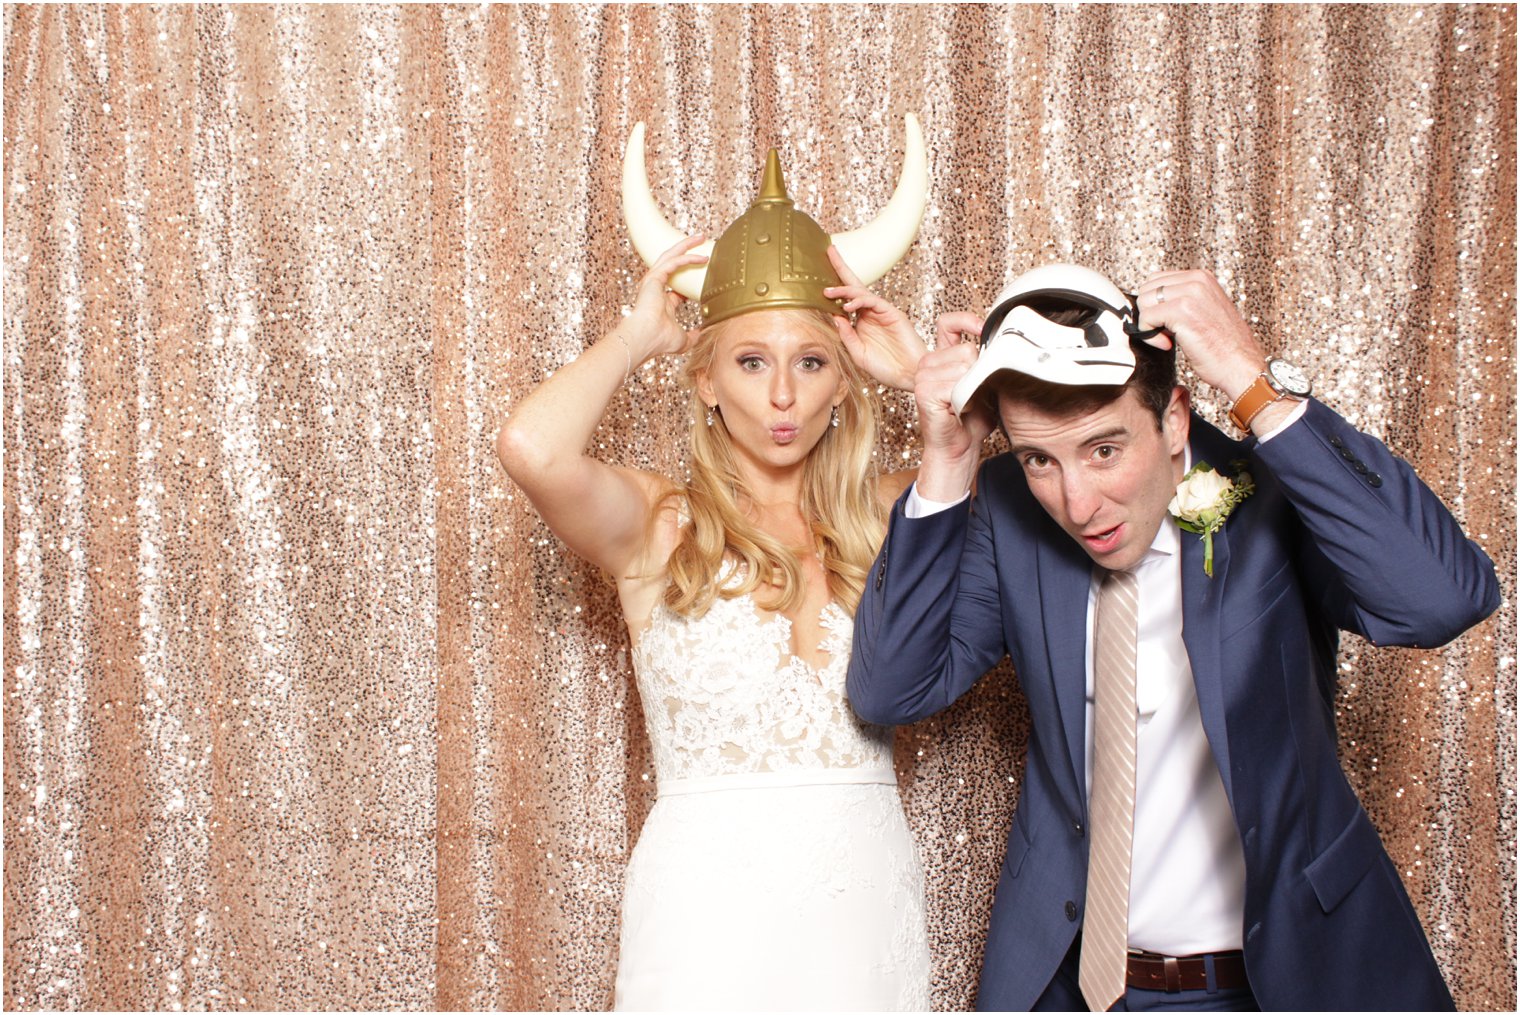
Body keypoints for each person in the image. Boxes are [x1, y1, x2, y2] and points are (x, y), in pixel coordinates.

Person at [846, 263, 1500, 1011]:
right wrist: (949, 459)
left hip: (1283, 980)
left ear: (1175, 418)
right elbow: (892, 687)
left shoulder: (1274, 491)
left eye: (1104, 449)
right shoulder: (1008, 512)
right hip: (1073, 985)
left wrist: (1257, 383)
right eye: (1039, 460)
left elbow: (1443, 601)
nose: (1079, 501)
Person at [498, 119, 935, 1009]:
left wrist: (923, 373)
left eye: (811, 362)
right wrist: (633, 336)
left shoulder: (897, 513)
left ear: (844, 378)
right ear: (706, 379)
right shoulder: (659, 524)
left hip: (861, 913)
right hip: (707, 920)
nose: (782, 395)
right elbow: (531, 448)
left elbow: (1049, 479)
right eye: (750, 361)